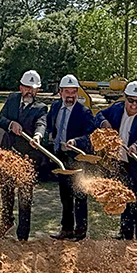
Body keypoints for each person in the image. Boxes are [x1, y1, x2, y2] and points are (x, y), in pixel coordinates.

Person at [95, 81, 137, 239]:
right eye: (131, 100)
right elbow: (99, 114)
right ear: (125, 99)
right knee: (125, 197)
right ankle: (125, 234)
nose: (134, 105)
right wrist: (105, 124)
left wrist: (136, 146)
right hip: (123, 163)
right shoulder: (117, 109)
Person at [0, 70, 47, 241]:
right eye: (26, 88)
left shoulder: (41, 108)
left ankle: (23, 236)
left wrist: (37, 136)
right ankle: (7, 223)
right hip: (8, 154)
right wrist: (10, 124)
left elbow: (41, 124)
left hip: (27, 158)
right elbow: (0, 119)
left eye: (33, 89)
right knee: (6, 192)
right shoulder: (12, 99)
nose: (29, 91)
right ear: (20, 87)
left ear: (37, 90)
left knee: (25, 197)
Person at [45, 74, 95, 241]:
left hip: (78, 158)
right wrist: (51, 135)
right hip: (61, 157)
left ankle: (80, 231)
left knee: (79, 194)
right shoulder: (55, 108)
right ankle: (66, 229)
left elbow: (90, 136)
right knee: (65, 195)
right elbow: (51, 125)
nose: (71, 96)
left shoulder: (84, 112)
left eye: (74, 92)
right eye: (67, 92)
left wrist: (76, 142)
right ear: (60, 93)